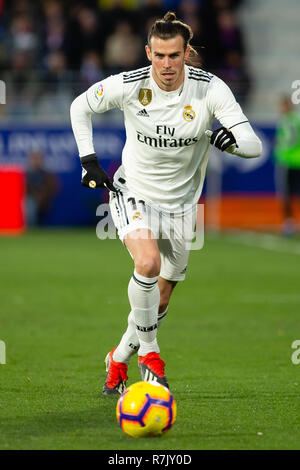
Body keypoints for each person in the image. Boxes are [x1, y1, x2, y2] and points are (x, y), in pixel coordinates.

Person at [70, 11, 262, 395]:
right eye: (159, 55)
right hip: (134, 191)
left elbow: (254, 145)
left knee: (159, 298)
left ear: (185, 52)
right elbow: (80, 106)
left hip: (182, 207)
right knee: (147, 263)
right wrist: (88, 160)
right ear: (148, 52)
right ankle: (150, 355)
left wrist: (231, 144)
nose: (166, 64)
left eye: (174, 55)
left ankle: (119, 358)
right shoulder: (129, 84)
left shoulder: (210, 89)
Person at [274, 96, 300, 236]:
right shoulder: (297, 119)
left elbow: (288, 140)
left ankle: (288, 224)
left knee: (286, 194)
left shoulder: (286, 121)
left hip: (287, 161)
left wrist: (279, 150)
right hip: (297, 161)